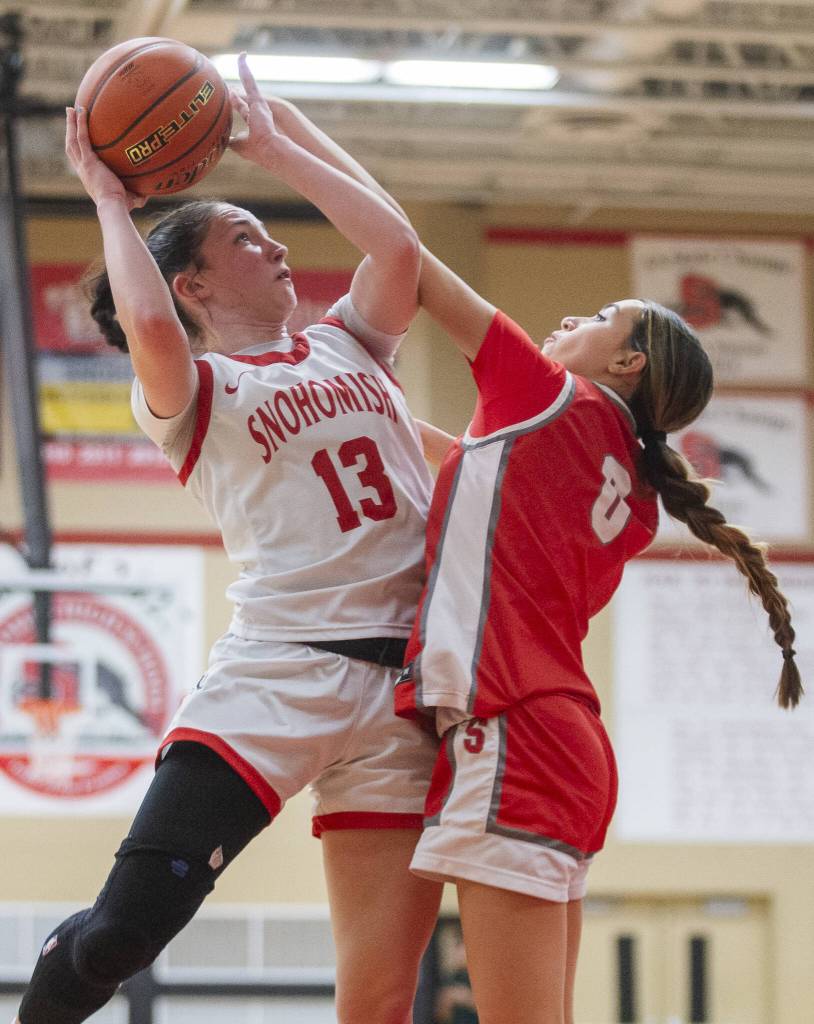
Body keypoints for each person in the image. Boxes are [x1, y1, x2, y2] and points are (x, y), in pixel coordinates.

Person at [255, 96, 803, 1024]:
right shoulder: (625, 485)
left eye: (598, 315)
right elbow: (461, 467)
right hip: (560, 738)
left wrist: (277, 140)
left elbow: (404, 255)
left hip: (517, 729)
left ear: (625, 364)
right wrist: (343, 404)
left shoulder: (550, 400)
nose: (569, 317)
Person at [14, 56, 444, 1024]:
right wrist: (108, 205)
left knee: (380, 995)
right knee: (123, 936)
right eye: (249, 239)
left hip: (406, 692)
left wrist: (275, 147)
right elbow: (150, 328)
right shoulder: (194, 392)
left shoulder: (349, 342)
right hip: (277, 678)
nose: (281, 251)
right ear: (194, 282)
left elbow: (398, 251)